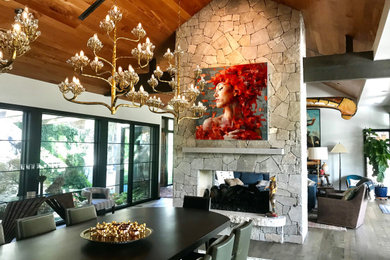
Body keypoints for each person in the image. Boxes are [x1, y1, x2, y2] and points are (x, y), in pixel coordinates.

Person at [196, 64, 267, 140]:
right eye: (215, 91)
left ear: (235, 91)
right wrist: (223, 141)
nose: (215, 95)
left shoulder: (253, 127)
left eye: (220, 89)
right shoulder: (210, 124)